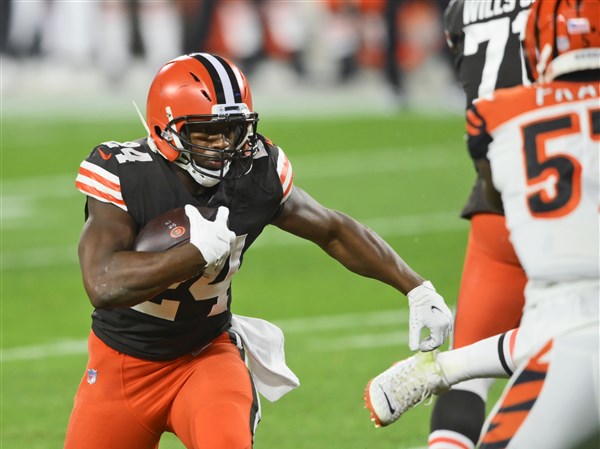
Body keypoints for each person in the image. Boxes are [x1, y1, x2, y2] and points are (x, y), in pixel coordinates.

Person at [63, 52, 453, 449]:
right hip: (120, 367)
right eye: (205, 132)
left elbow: (333, 231)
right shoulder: (126, 172)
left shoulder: (254, 172)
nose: (222, 144)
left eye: (232, 129)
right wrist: (193, 253)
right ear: (166, 129)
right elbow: (102, 284)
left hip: (204, 358)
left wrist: (415, 287)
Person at [364, 1, 599, 447]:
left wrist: (450, 366)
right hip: (576, 199)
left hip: (513, 189)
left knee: (480, 381)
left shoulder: (463, 16)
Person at [425, 1, 533, 447]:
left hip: (495, 197)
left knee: (467, 369)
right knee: (568, 358)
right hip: (572, 195)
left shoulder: (459, 10)